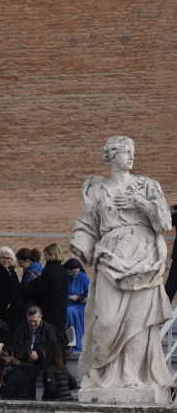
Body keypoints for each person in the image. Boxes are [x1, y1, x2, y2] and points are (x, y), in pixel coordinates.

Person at [72, 136, 173, 393]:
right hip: (110, 258)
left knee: (138, 323)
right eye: (126, 151)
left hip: (145, 259)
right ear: (111, 156)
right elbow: (87, 225)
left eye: (132, 151)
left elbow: (165, 224)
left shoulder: (147, 186)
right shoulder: (96, 190)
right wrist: (81, 246)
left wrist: (141, 203)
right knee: (106, 320)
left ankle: (133, 376)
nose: (131, 156)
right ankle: (102, 372)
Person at [21, 243, 69, 349]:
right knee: (59, 334)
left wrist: (24, 289)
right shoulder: (63, 271)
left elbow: (40, 290)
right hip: (60, 308)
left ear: (51, 255)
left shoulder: (48, 270)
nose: (44, 257)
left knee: (50, 336)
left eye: (46, 255)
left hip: (49, 309)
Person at [0, 247, 24, 326]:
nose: (6, 260)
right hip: (3, 310)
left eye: (8, 258)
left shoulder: (12, 271)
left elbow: (16, 288)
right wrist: (6, 304)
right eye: (3, 258)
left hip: (14, 310)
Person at [64, 258, 90, 353]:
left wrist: (87, 298)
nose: (74, 274)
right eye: (72, 272)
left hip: (81, 305)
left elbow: (91, 291)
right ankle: (70, 342)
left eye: (77, 272)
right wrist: (70, 297)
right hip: (67, 304)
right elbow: (57, 291)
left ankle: (80, 344)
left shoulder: (83, 277)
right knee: (68, 312)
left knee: (84, 313)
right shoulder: (63, 276)